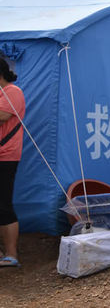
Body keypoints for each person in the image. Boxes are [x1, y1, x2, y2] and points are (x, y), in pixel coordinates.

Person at [0, 57, 26, 268]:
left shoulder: (12, 92)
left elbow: (2, 115)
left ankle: (11, 254)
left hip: (5, 156)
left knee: (3, 204)